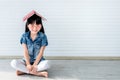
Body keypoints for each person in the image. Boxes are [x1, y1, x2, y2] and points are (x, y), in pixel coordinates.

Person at [10, 10, 50, 78]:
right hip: (26, 61)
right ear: (28, 25)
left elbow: (41, 52)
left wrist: (34, 64)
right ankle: (38, 73)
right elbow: (25, 51)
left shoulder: (43, 36)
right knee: (13, 63)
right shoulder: (24, 36)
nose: (35, 28)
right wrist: (28, 64)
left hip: (38, 61)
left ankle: (24, 71)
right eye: (32, 25)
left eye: (37, 25)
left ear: (41, 25)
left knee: (47, 63)